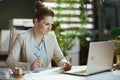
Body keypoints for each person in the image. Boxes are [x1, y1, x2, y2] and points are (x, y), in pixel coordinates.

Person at [6, 0, 71, 72]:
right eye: (47, 24)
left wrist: (65, 63)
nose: (50, 28)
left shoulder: (51, 37)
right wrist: (29, 66)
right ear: (36, 22)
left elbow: (60, 59)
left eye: (51, 24)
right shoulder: (22, 37)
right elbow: (9, 62)